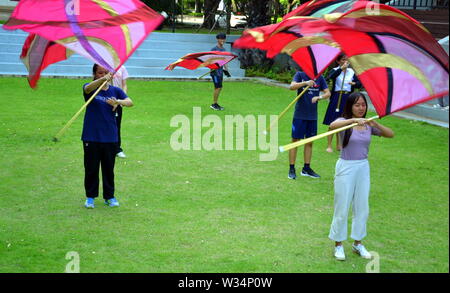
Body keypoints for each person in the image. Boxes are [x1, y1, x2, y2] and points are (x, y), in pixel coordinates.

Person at [328, 92, 394, 261]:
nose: (361, 108)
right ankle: (338, 245)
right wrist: (352, 121)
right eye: (357, 105)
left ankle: (358, 243)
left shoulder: (368, 125)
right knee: (342, 207)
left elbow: (390, 134)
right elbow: (332, 125)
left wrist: (374, 123)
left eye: (363, 105)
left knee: (362, 207)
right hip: (346, 167)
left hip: (363, 167)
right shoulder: (344, 123)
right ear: (350, 106)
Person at [82, 64, 133, 209]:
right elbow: (87, 89)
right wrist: (102, 80)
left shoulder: (115, 91)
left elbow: (130, 102)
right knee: (91, 168)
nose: (103, 75)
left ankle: (109, 196)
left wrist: (118, 102)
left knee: (108, 169)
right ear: (94, 74)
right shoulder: (90, 88)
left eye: (106, 73)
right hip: (91, 136)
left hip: (110, 137)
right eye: (99, 73)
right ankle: (90, 197)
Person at [288, 71, 331, 179]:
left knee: (309, 142)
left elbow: (328, 93)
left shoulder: (319, 77)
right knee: (295, 142)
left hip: (312, 116)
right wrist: (305, 83)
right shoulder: (300, 74)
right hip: (299, 115)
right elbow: (292, 86)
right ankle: (291, 169)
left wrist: (319, 98)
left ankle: (306, 168)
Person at [323, 54, 361, 153]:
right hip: (337, 97)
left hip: (348, 97)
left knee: (344, 121)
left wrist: (354, 84)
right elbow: (330, 77)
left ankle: (339, 145)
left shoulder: (351, 72)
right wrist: (341, 69)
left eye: (347, 60)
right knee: (333, 122)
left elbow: (360, 83)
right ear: (338, 61)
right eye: (343, 60)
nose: (346, 62)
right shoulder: (335, 70)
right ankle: (329, 145)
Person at [210, 33, 231, 111]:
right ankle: (214, 104)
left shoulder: (224, 50)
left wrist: (226, 70)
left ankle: (215, 103)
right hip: (214, 72)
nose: (223, 40)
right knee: (217, 87)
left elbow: (225, 61)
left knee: (220, 87)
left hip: (220, 72)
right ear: (217, 39)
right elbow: (210, 60)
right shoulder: (213, 49)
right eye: (221, 39)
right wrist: (212, 68)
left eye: (224, 39)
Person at [111, 65, 129, 158]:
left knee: (116, 125)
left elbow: (124, 84)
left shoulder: (122, 68)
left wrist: (122, 98)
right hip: (106, 100)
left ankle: (117, 149)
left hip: (118, 101)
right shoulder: (103, 65)